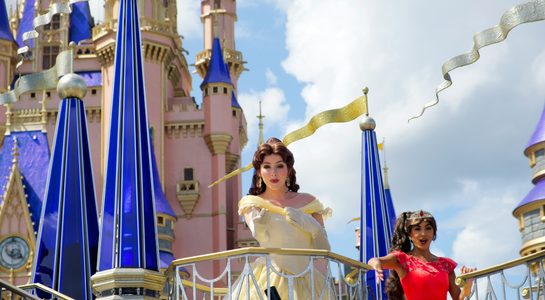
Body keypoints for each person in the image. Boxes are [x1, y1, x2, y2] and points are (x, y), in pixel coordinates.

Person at [232, 137, 333, 299]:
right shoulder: (252, 204)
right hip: (270, 280)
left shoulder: (309, 202)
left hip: (308, 281)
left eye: (279, 166)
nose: (273, 173)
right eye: (267, 167)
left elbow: (324, 251)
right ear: (259, 172)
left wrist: (314, 229)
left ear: (289, 169)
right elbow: (260, 236)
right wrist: (259, 226)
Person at [367, 210, 476, 300]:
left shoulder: (446, 265)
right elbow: (375, 260)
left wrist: (467, 286)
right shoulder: (402, 259)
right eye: (417, 229)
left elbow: (458, 298)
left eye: (428, 228)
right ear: (410, 234)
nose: (423, 234)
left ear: (434, 233)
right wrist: (376, 265)